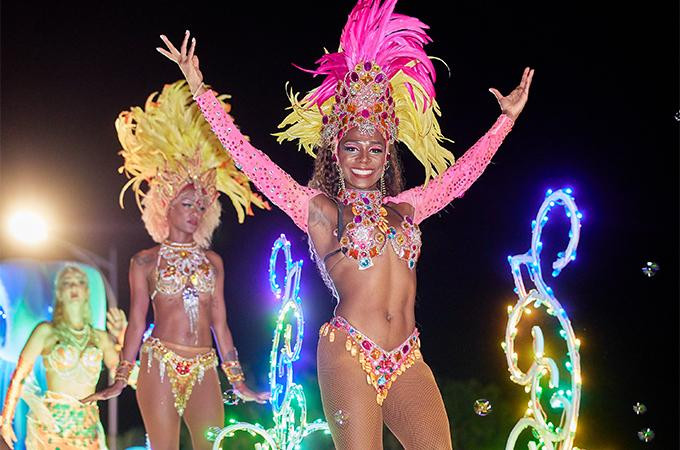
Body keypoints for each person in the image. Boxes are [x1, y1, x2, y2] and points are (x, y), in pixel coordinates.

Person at [159, 0, 533, 447]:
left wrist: (505, 121)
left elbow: (458, 179)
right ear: (335, 152)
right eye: (352, 147)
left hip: (408, 357)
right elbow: (251, 160)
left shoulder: (407, 207)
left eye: (375, 149)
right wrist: (201, 91)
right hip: (349, 352)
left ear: (387, 155)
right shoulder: (320, 209)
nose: (363, 159)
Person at [83, 81, 269, 450]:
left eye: (200, 206)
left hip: (204, 365)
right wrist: (121, 376)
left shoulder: (213, 262)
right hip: (159, 363)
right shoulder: (145, 261)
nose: (194, 212)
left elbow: (220, 323)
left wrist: (237, 380)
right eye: (186, 204)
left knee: (211, 444)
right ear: (164, 206)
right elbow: (137, 321)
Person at [0, 265, 127, 449]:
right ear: (59, 293)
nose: (74, 287)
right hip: (52, 429)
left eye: (79, 282)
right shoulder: (46, 332)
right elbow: (19, 377)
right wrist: (6, 421)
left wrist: (123, 338)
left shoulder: (100, 338)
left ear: (87, 291)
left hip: (88, 429)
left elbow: (126, 378)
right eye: (67, 283)